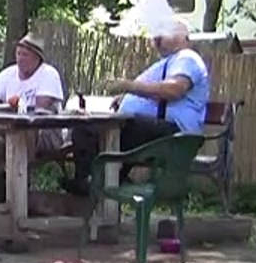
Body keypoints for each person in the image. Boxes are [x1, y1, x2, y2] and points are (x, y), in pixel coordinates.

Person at [69, 18, 211, 194]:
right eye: (156, 36)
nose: (157, 40)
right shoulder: (172, 61)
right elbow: (157, 91)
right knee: (88, 128)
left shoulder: (187, 58)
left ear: (184, 37)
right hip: (160, 131)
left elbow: (174, 89)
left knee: (96, 128)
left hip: (175, 135)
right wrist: (127, 97)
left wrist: (129, 87)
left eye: (164, 34)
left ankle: (96, 184)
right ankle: (98, 182)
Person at [0, 33, 68, 154]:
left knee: (23, 136)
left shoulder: (48, 74)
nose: (20, 58)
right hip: (9, 130)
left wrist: (14, 104)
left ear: (37, 57)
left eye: (25, 55)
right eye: (18, 53)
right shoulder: (9, 73)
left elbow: (40, 109)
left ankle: (21, 171)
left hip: (44, 132)